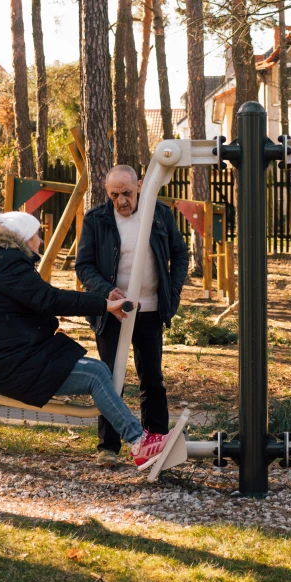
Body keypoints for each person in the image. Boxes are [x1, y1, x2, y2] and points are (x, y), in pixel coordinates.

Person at [0, 204, 172, 467]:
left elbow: (42, 301)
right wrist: (104, 304)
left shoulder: (2, 263)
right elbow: (50, 300)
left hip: (17, 359)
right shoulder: (6, 264)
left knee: (98, 370)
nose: (41, 239)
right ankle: (139, 442)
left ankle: (139, 438)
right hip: (11, 367)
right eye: (38, 234)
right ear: (24, 238)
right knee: (97, 374)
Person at [76, 165, 190, 466]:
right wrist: (106, 290)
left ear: (139, 186)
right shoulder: (96, 219)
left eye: (126, 193)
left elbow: (180, 253)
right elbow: (84, 265)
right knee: (109, 379)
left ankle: (157, 442)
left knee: (152, 378)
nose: (121, 201)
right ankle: (108, 447)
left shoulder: (159, 213)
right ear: (106, 190)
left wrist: (173, 291)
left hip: (150, 309)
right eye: (114, 194)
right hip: (112, 312)